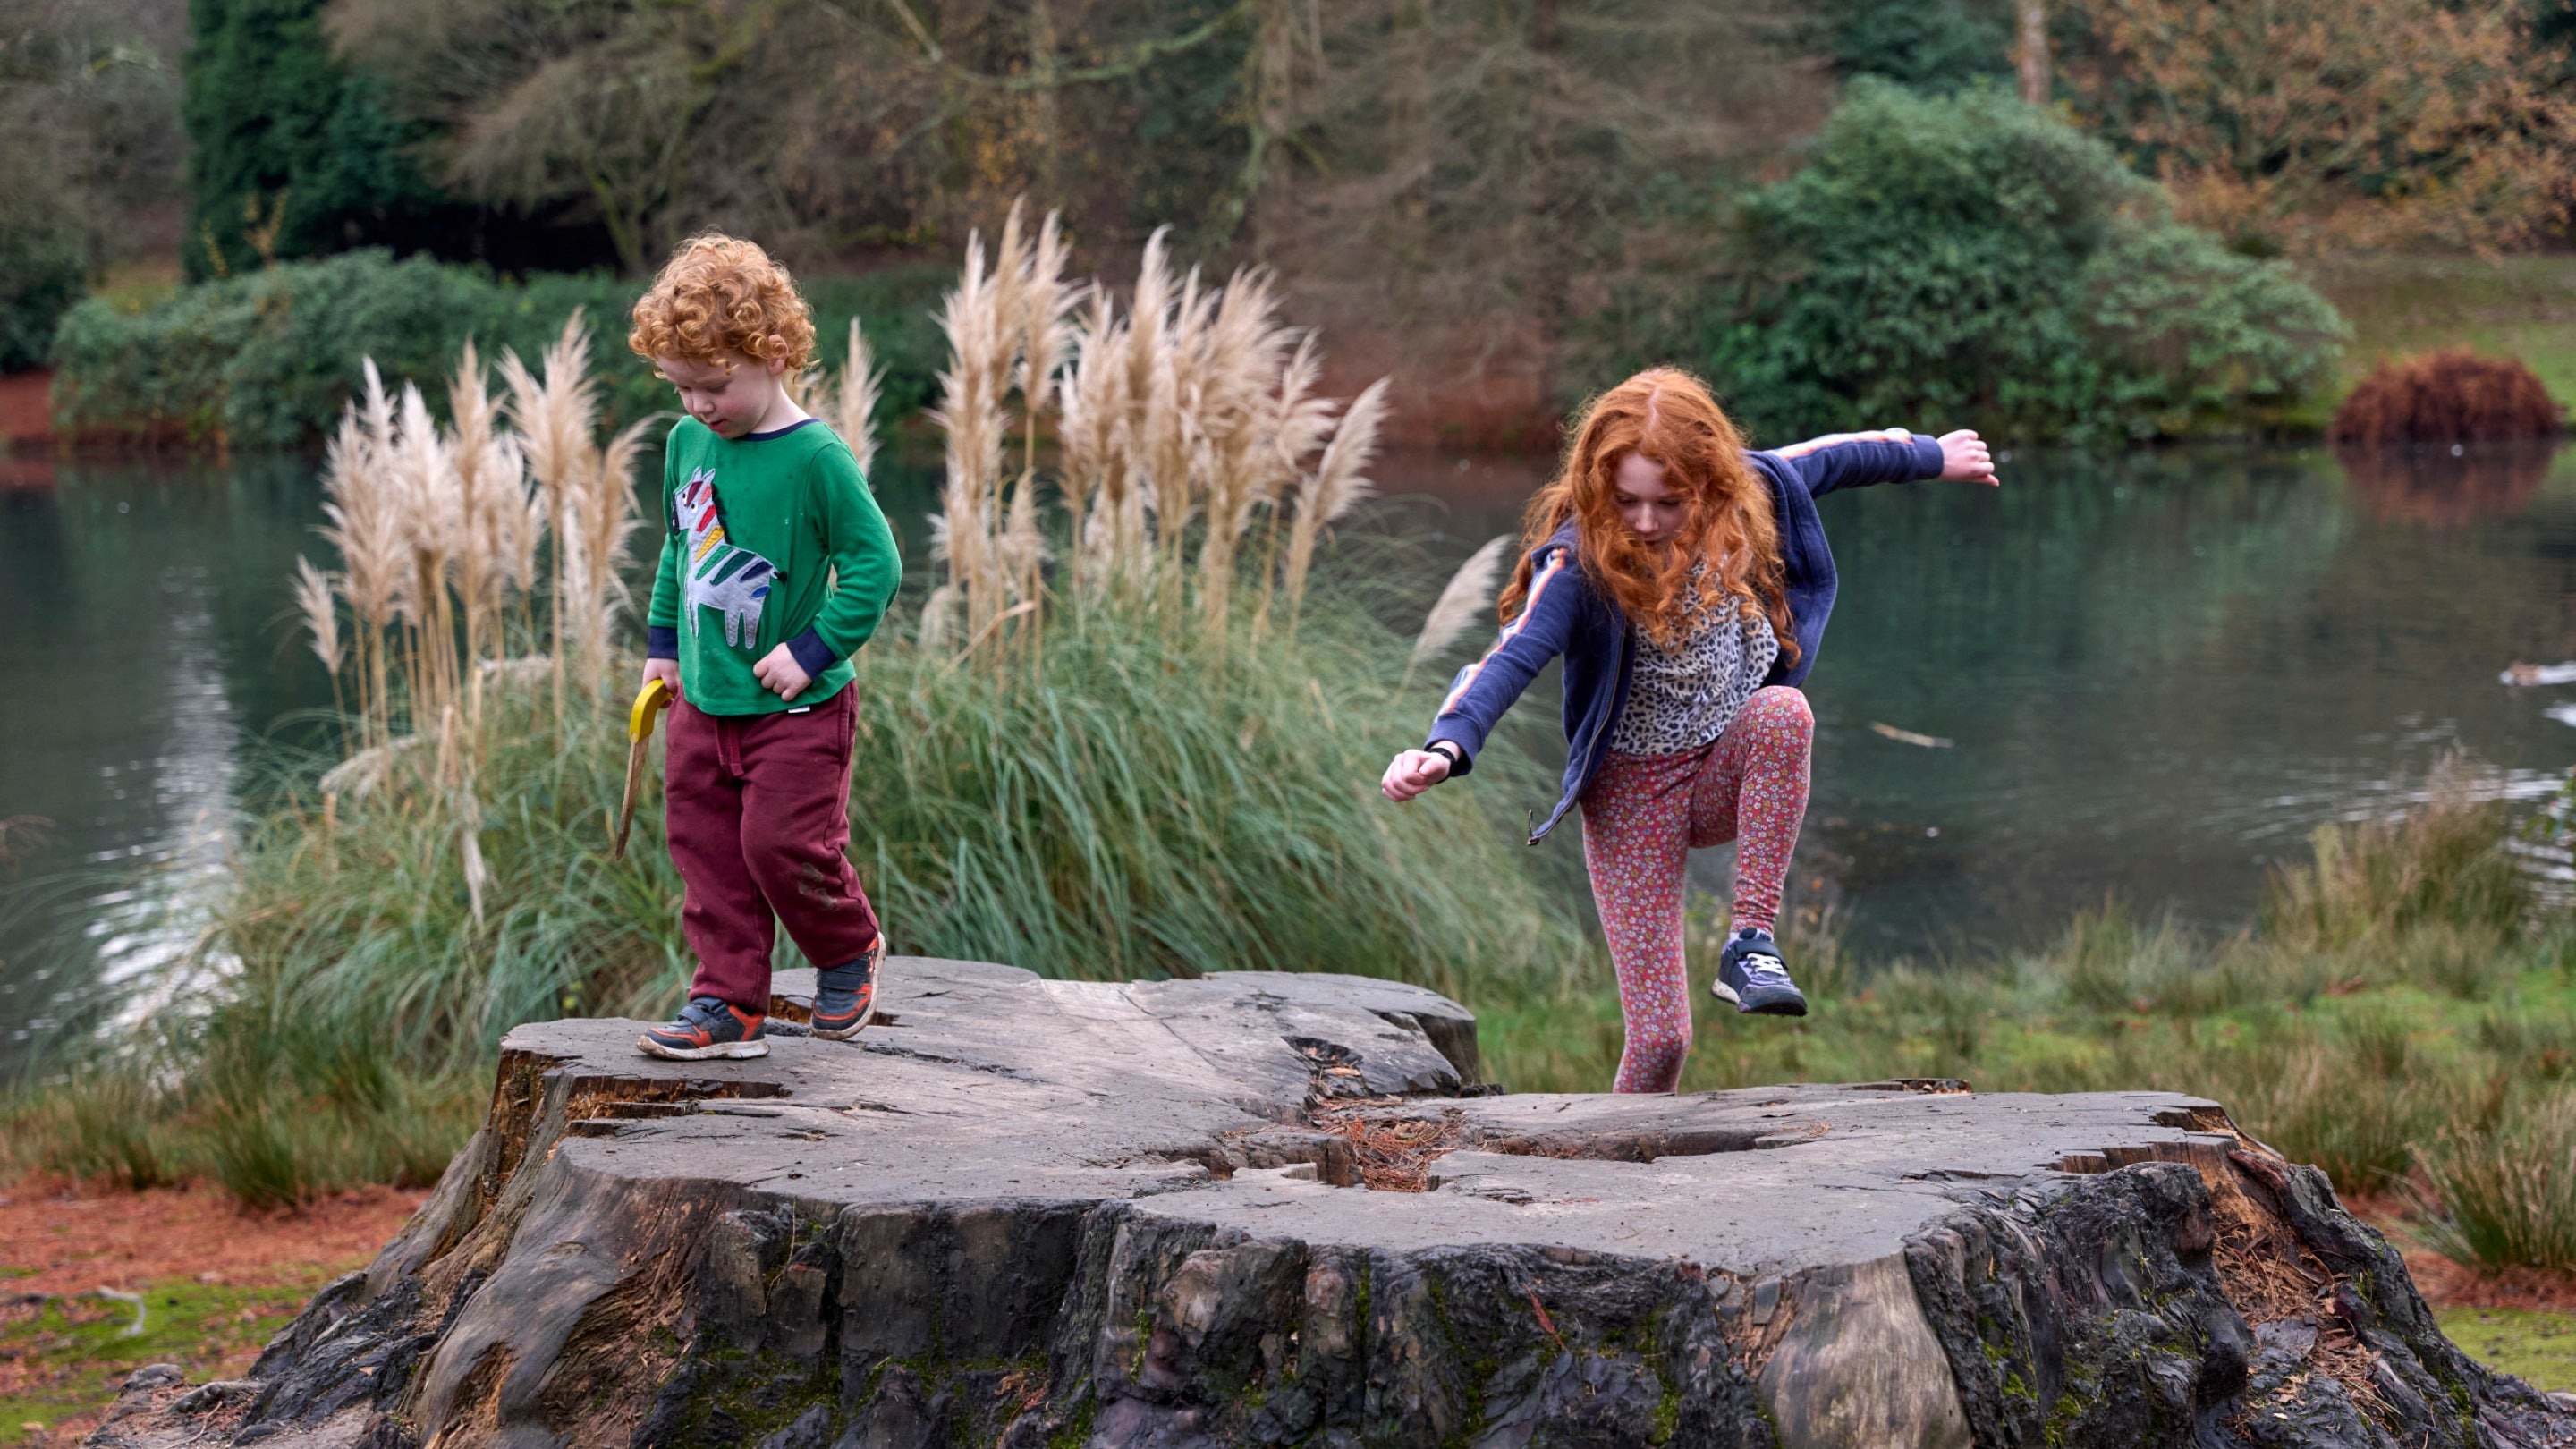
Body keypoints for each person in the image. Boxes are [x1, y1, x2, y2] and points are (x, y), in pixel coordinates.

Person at [1379, 368, 1996, 1093]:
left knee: (1782, 713)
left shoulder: (1750, 498)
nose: (1643, 521)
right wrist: (1446, 746)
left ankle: (1750, 943)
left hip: (1718, 771)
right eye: (1626, 501)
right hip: (1630, 803)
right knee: (1663, 1040)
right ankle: (1622, 1172)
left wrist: (1930, 454)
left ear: (1711, 482)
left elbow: (1835, 456)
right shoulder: (1580, 563)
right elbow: (1510, 655)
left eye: (1667, 503)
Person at [628, 234, 903, 1061]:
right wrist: (664, 647)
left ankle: (847, 948)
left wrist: (813, 650)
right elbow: (680, 549)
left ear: (774, 355)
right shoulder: (688, 443)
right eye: (683, 389)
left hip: (798, 703)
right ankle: (727, 1002)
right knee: (706, 849)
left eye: (715, 385)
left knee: (780, 842)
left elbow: (875, 565)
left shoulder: (816, 457)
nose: (701, 405)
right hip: (703, 699)